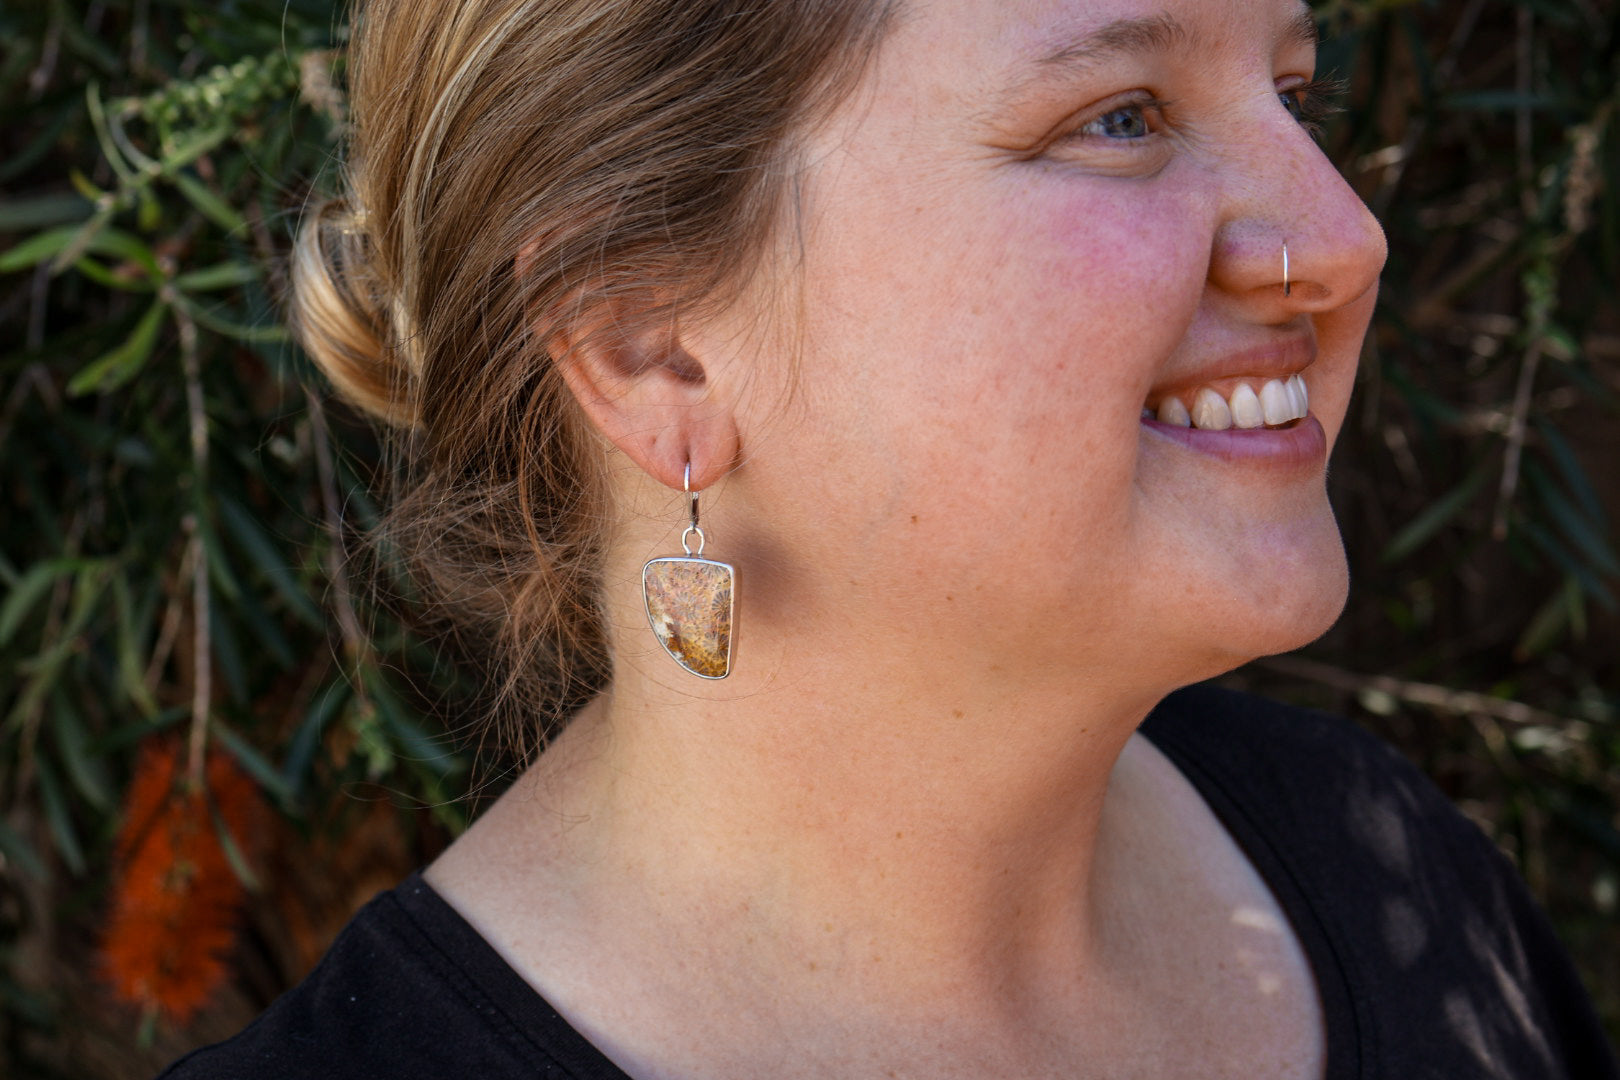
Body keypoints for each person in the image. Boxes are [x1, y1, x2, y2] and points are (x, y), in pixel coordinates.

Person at [161, 0, 1619, 1076]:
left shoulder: (1391, 873)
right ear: (648, 341)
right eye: (1121, 117)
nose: (1344, 234)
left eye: (1296, 89)